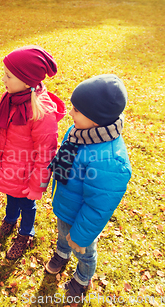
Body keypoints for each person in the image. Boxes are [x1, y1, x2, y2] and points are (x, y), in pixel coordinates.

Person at [44, 74, 132, 300]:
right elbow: (64, 158)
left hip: (83, 220)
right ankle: (62, 254)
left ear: (96, 118)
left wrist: (82, 236)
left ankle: (82, 278)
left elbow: (98, 206)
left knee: (84, 251)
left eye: (76, 109)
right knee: (62, 234)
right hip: (66, 204)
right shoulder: (78, 132)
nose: (70, 113)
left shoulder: (109, 160)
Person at [0, 46, 66, 259]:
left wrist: (37, 185)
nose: (3, 79)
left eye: (8, 76)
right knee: (11, 197)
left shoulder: (41, 112)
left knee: (27, 204)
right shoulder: (10, 97)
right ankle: (10, 221)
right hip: (10, 167)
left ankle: (25, 234)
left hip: (27, 173)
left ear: (26, 80)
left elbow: (46, 153)